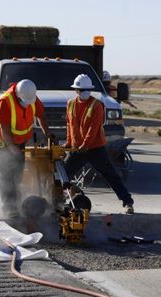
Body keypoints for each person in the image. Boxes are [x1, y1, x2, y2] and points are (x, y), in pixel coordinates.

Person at [63, 74, 134, 214]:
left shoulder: (97, 105)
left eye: (87, 89)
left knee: (111, 176)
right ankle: (58, 201)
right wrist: (69, 142)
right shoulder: (70, 103)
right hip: (77, 149)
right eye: (81, 90)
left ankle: (128, 203)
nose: (84, 92)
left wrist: (85, 145)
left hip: (95, 149)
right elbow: (69, 125)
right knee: (63, 176)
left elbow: (93, 128)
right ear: (76, 90)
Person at [0, 79, 52, 219]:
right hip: (2, 143)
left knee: (17, 176)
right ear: (18, 95)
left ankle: (17, 204)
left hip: (19, 143)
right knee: (5, 177)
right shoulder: (5, 102)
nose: (27, 104)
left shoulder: (31, 97)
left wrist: (48, 134)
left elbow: (41, 116)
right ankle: (10, 209)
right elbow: (5, 130)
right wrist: (11, 147)